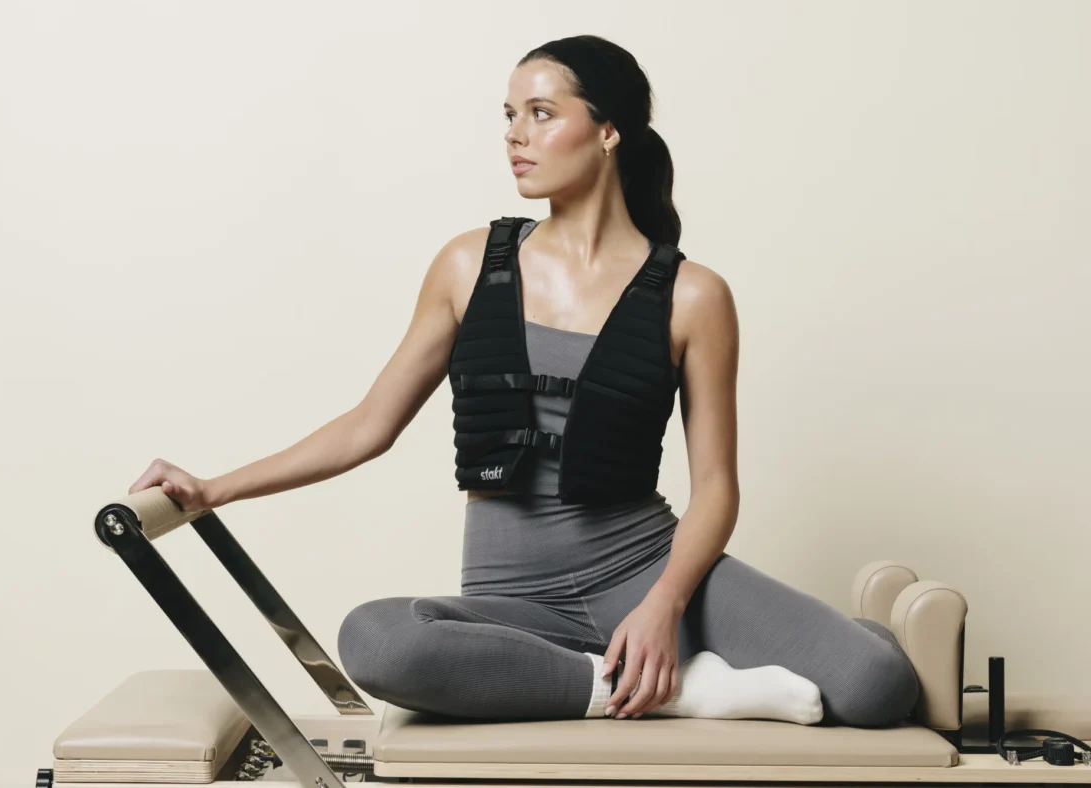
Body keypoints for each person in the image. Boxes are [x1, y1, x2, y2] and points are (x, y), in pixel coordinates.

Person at [128, 34, 919, 727]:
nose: (515, 135)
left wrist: (662, 606)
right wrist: (213, 489)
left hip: (646, 573)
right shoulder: (468, 264)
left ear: (608, 130)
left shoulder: (693, 296)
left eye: (541, 113)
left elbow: (715, 485)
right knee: (377, 639)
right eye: (509, 116)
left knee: (878, 685)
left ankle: (798, 645)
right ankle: (668, 692)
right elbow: (367, 426)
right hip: (513, 605)